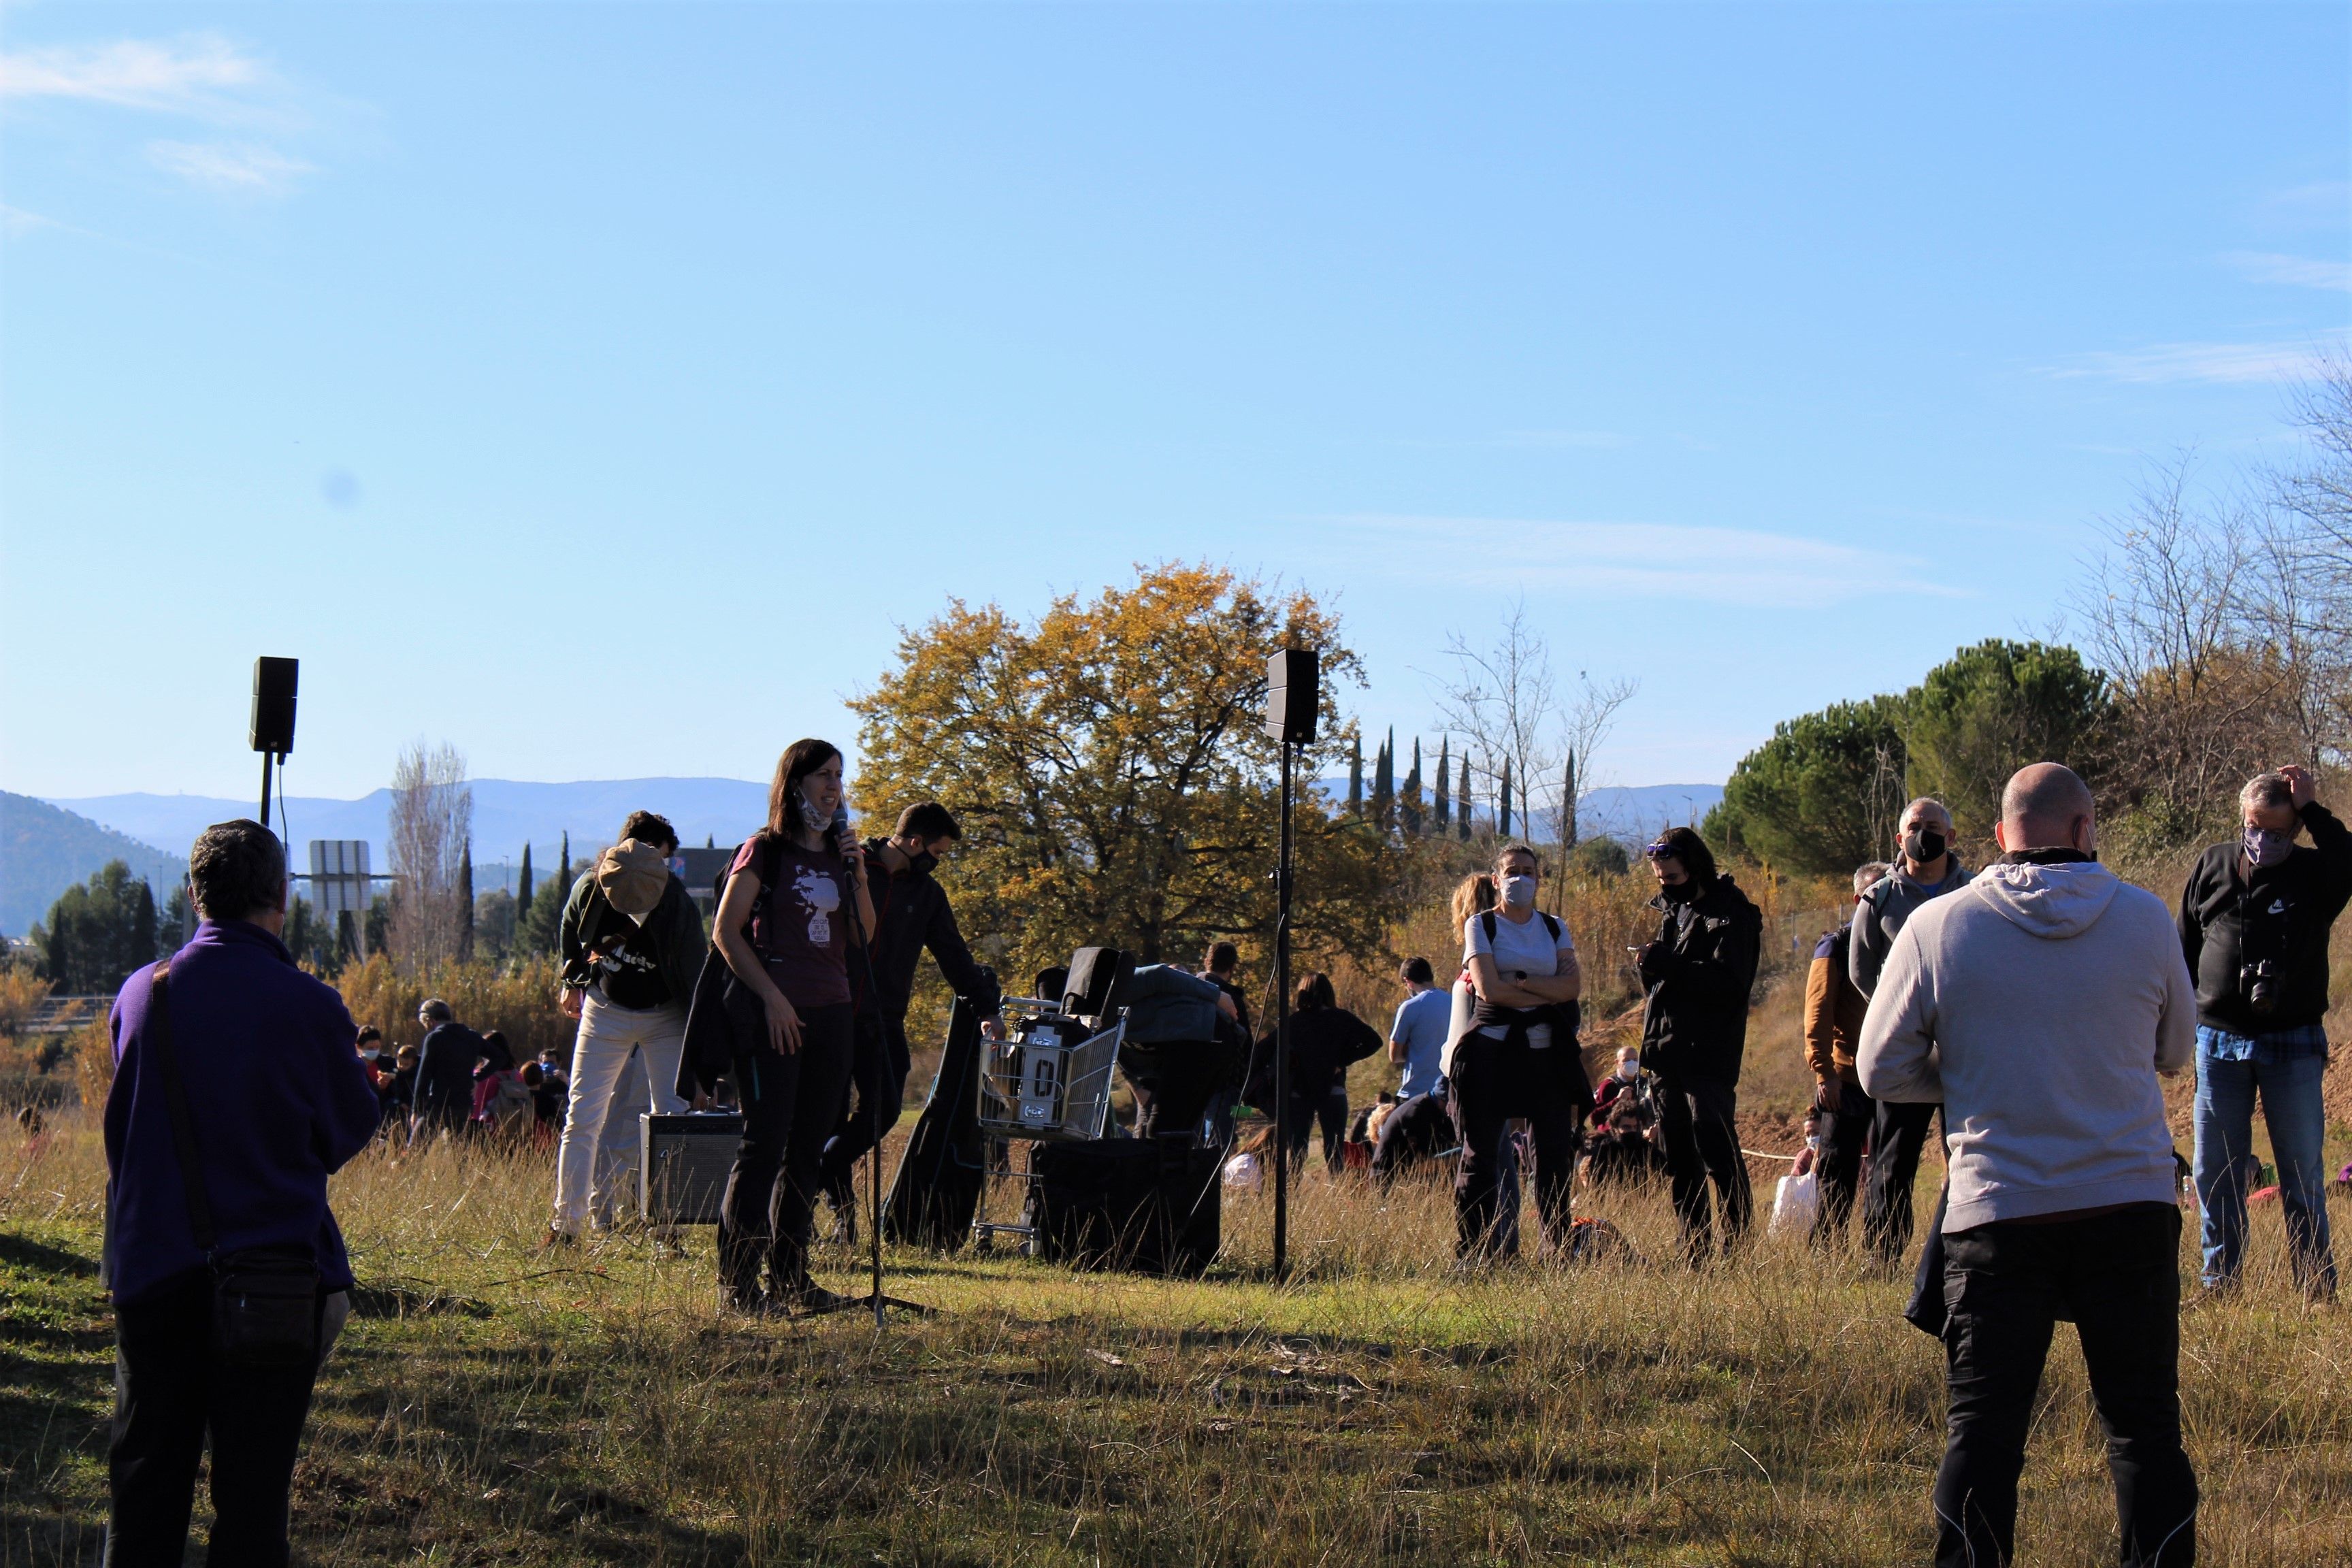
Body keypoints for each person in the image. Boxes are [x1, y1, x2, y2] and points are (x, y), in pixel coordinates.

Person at [1859, 763, 2198, 1568]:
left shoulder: (1939, 926)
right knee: (2144, 1426)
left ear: (2001, 837)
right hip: (2128, 1200)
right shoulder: (2146, 920)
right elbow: (2177, 1052)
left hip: (1999, 1209)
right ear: (2086, 832)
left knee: (1984, 1431)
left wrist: (1972, 1070)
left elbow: (1878, 1070)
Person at [101, 819, 381, 1567]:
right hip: (273, 1285)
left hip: (152, 1271)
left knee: (145, 1484)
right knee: (253, 1503)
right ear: (281, 897)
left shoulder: (141, 994)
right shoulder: (312, 1007)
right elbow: (349, 1131)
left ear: (195, 897)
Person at [713, 739, 874, 1314]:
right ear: (795, 783)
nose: (834, 786)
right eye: (823, 776)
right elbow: (727, 932)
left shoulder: (841, 853)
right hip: (772, 1015)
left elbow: (864, 936)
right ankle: (738, 1285)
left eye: (839, 776)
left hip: (833, 1014)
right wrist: (774, 999)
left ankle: (791, 1277)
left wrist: (857, 871)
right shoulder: (765, 851)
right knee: (765, 1146)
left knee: (808, 1150)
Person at [2180, 764, 2351, 1298]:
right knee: (2216, 1170)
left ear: (2295, 829)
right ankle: (2220, 1279)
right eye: (2254, 827)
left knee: (2301, 1171)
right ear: (2242, 820)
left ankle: (2315, 1287)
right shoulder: (2213, 865)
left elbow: (2350, 861)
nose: (2263, 840)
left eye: (2277, 831)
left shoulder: (2314, 874)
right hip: (2218, 1041)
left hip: (2293, 1041)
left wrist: (2313, 808)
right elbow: (2182, 945)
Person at [817, 802, 996, 1230]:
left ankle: (824, 1163)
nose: (940, 861)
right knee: (824, 1115)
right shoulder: (846, 868)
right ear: (915, 842)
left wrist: (986, 1007)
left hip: (884, 1020)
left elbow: (955, 956)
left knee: (886, 1110)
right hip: (829, 1014)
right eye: (939, 852)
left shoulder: (928, 896)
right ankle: (838, 1216)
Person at [546, 816, 708, 1246]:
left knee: (671, 1119)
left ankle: (666, 1229)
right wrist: (572, 983)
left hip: (666, 1015)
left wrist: (701, 1065)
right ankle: (566, 1225)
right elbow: (568, 929)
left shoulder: (678, 908)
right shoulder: (588, 888)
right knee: (582, 1117)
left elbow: (695, 981)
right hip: (606, 1009)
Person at [1850, 798, 1969, 1264]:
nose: (1924, 834)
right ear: (1899, 840)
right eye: (1915, 827)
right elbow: (1861, 972)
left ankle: (1959, 1250)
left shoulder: (1976, 891)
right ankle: (1883, 1253)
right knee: (1893, 1159)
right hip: (1905, 1051)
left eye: (1934, 826)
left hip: (1965, 1044)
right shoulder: (1878, 899)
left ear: (1952, 837)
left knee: (1967, 1153)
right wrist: (1897, 1016)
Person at [1454, 842, 1587, 1259]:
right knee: (1480, 1158)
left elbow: (1572, 988)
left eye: (1528, 871)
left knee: (1553, 1156)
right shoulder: (1481, 926)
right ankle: (1477, 1252)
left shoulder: (1554, 927)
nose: (1520, 879)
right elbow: (1488, 991)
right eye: (1512, 871)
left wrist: (1521, 981)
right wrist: (1541, 989)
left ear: (1539, 878)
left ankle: (1557, 1250)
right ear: (1496, 880)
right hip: (1491, 1056)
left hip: (1547, 1058)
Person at [1637, 826, 1763, 1262]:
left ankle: (1737, 1251)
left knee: (1717, 1151)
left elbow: (1731, 985)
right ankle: (1693, 1251)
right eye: (1659, 878)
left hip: (1709, 1053)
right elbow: (1664, 985)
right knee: (1679, 1157)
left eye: (1671, 877)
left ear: (1694, 868)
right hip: (1666, 1051)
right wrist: (1651, 966)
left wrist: (1669, 965)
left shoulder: (1733, 913)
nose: (1664, 885)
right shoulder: (1673, 909)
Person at [1803, 862, 1889, 1245]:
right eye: (1876, 893)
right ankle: (1828, 1250)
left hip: (1894, 1077)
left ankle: (1880, 1250)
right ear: (1858, 899)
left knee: (1888, 1171)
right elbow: (1818, 1013)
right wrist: (1825, 1074)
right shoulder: (1835, 946)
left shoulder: (1903, 939)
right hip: (1847, 1078)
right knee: (1838, 1167)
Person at [1254, 973, 1383, 1175]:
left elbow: (1262, 1050)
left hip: (1299, 1092)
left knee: (1297, 1150)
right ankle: (1337, 1196)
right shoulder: (1341, 1018)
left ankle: (1290, 1195)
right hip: (1333, 1089)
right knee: (1335, 1150)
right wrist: (1342, 1061)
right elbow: (1374, 1041)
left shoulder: (1294, 1022)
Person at [410, 998, 485, 1143]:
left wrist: (417, 1109)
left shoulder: (435, 1038)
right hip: (463, 1104)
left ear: (430, 1020)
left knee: (416, 1151)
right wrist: (478, 1077)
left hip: (438, 1104)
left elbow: (424, 1076)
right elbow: (499, 1057)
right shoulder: (470, 1036)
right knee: (459, 1153)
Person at [1387, 956, 1451, 1103]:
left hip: (1417, 1090)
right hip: (1448, 1089)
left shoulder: (1410, 1007)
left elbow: (1394, 1056)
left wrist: (1414, 1051)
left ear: (1408, 981)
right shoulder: (1453, 1001)